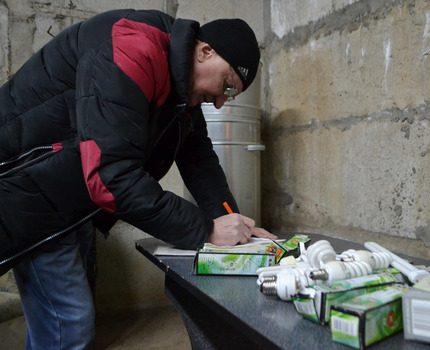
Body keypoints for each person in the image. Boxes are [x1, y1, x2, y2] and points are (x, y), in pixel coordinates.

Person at [0, 8, 276, 349]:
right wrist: (205, 230)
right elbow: (112, 177)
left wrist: (231, 222)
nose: (220, 103)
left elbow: (199, 159)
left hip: (66, 194)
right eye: (228, 87)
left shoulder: (181, 90)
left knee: (58, 318)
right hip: (26, 190)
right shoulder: (132, 48)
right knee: (67, 322)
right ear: (206, 51)